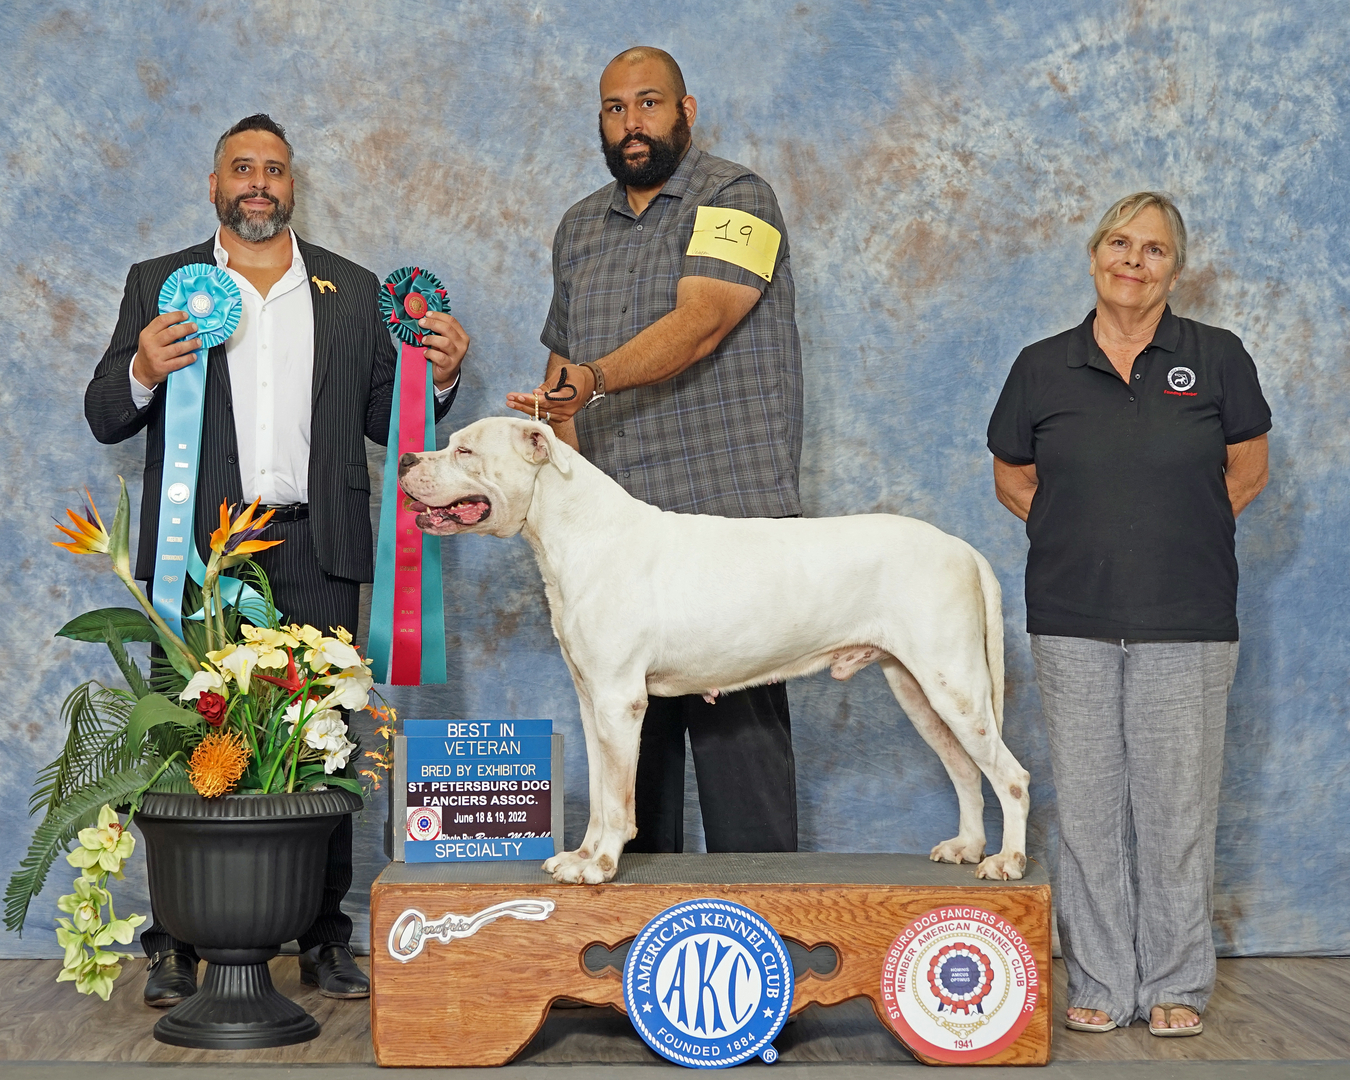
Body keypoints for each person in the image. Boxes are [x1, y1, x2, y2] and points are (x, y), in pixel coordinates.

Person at [85, 114, 470, 1005]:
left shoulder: (355, 288)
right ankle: (176, 938)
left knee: (326, 742)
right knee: (191, 742)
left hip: (321, 543)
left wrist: (439, 379)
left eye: (275, 170)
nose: (259, 182)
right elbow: (107, 411)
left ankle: (326, 935)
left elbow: (390, 420)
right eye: (242, 169)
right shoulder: (159, 284)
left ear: (293, 186)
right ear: (213, 185)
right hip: (202, 550)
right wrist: (142, 368)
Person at [506, 47, 803, 855]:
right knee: (625, 753)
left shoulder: (736, 196)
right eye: (614, 109)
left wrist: (594, 378)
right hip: (615, 538)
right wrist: (552, 436)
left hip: (728, 520)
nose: (631, 124)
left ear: (687, 110)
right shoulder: (577, 228)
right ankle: (635, 946)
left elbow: (704, 319)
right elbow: (563, 375)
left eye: (648, 104)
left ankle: (765, 940)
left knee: (742, 754)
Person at [987, 192, 1270, 1037]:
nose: (1133, 261)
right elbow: (1011, 476)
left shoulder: (1217, 358)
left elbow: (1247, 471)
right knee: (1089, 810)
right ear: (1093, 256)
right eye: (1120, 243)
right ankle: (1103, 982)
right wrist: (1079, 533)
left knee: (1176, 809)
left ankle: (1176, 983)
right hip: (1071, 618)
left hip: (1186, 619)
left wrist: (1175, 537)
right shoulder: (1042, 365)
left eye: (1153, 250)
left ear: (1174, 270)